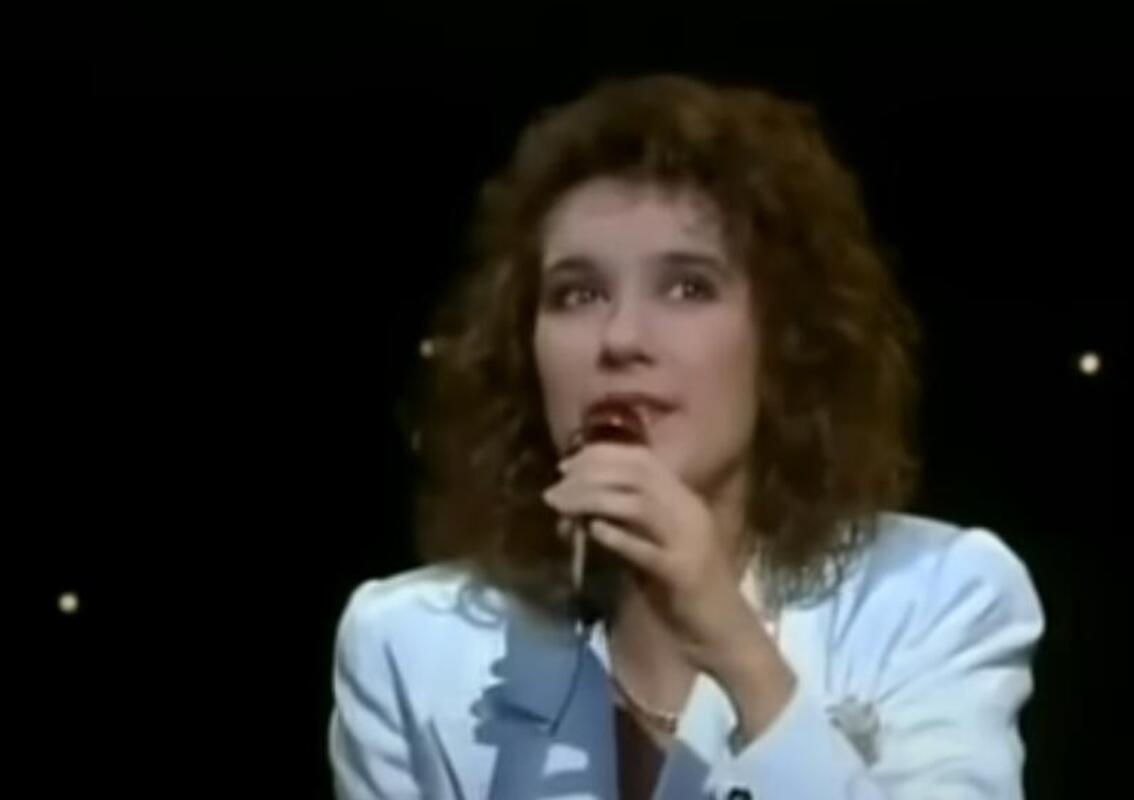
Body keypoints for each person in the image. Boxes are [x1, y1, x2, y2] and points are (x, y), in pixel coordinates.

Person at [328, 73, 1045, 800]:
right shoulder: (405, 646)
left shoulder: (939, 597)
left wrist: (739, 651)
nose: (620, 338)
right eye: (578, 293)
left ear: (786, 339)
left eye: (688, 287)